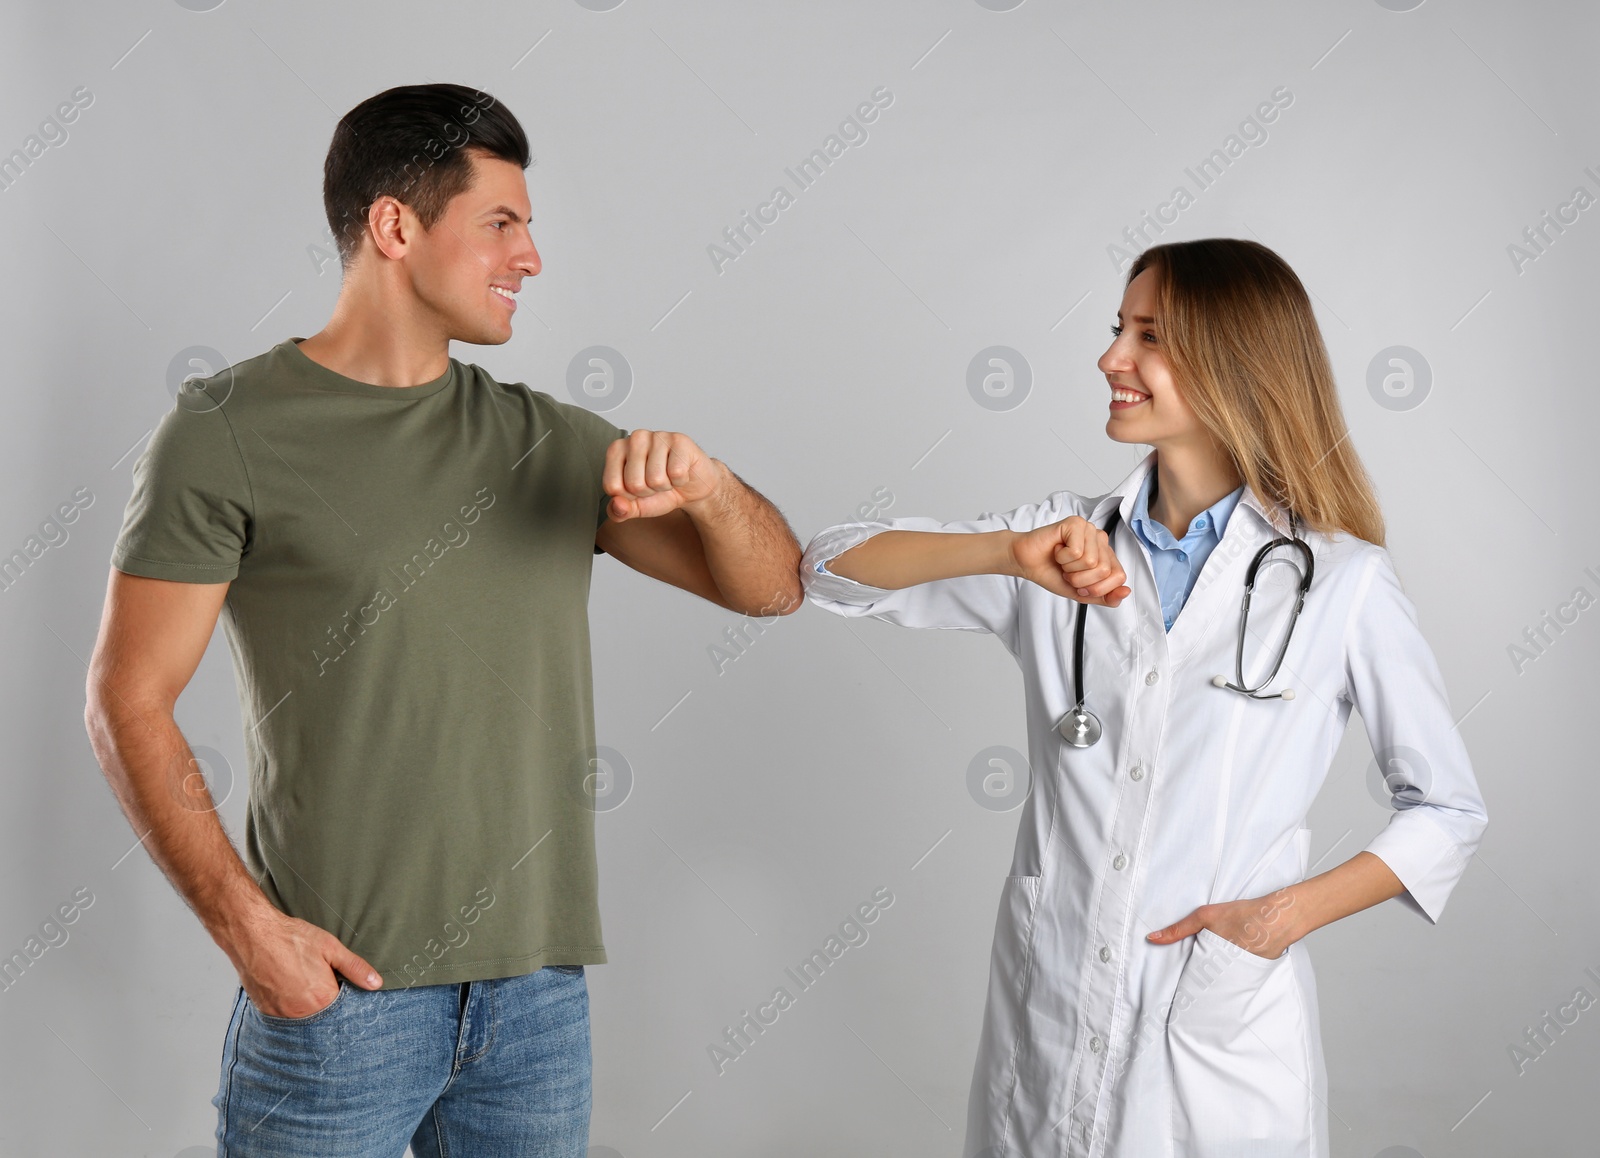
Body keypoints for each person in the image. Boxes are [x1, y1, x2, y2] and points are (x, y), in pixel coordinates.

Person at [83, 83, 801, 1156]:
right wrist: (251, 933)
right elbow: (126, 700)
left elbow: (771, 584)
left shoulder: (543, 439)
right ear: (394, 227)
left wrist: (708, 485)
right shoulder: (226, 432)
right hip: (341, 1004)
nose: (531, 256)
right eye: (500, 223)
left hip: (537, 1007)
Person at [800, 238, 1488, 1157]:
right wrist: (1005, 554)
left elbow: (1447, 809)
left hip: (1213, 1034)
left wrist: (1276, 920)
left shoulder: (1341, 581)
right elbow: (828, 567)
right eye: (1118, 329)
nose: (1110, 357)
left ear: (1233, 359)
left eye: (1148, 335)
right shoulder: (1055, 542)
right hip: (1045, 1026)